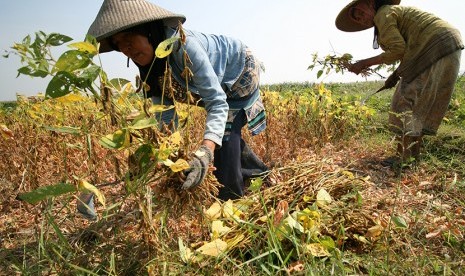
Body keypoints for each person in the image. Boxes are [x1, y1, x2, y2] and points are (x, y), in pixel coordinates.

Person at [77, 0, 269, 219]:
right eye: (118, 44)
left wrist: (205, 152)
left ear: (149, 32)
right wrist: (169, 156)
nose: (125, 49)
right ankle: (257, 173)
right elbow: (166, 119)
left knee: (224, 140)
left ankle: (231, 204)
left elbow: (217, 103)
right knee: (225, 134)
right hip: (212, 84)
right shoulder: (149, 69)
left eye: (129, 40)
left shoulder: (183, 47)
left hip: (239, 69)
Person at [335, 0, 464, 167]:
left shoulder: (383, 13)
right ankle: (412, 158)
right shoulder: (390, 14)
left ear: (370, 4)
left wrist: (363, 63)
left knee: (402, 103)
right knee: (419, 105)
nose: (360, 18)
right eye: (357, 19)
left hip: (433, 44)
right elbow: (408, 54)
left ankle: (401, 156)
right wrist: (394, 76)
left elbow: (397, 50)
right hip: (449, 43)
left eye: (359, 12)